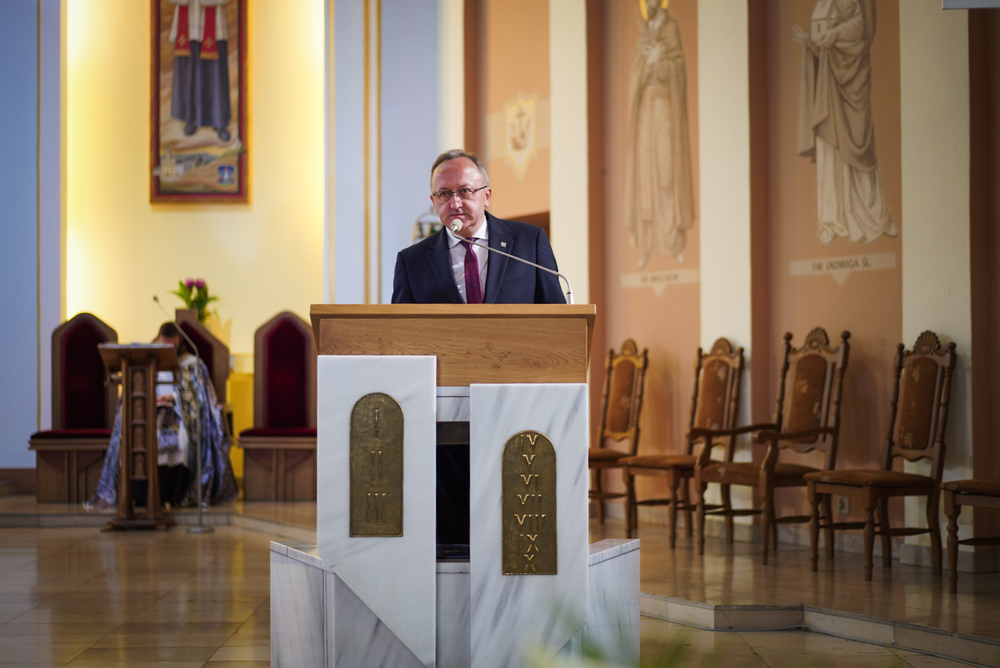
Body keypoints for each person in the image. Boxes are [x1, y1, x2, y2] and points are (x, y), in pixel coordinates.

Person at [86, 322, 238, 510]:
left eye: (171, 345)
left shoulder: (191, 363)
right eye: (164, 343)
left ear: (180, 341)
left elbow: (197, 400)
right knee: (131, 438)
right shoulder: (141, 360)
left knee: (182, 440)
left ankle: (172, 496)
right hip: (146, 415)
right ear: (158, 339)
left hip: (177, 416)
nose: (168, 348)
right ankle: (138, 495)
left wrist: (174, 398)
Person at [392, 149, 567, 305]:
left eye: (465, 191)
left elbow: (557, 316)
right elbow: (401, 330)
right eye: (444, 194)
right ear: (434, 201)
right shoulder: (412, 261)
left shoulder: (529, 242)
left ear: (487, 196)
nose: (455, 203)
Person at [794, 0, 897, 245]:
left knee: (859, 144)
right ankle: (832, 220)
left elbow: (862, 24)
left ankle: (874, 216)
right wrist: (813, 43)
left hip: (853, 75)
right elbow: (823, 29)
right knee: (830, 146)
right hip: (829, 78)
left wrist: (835, 34)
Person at [624, 0, 696, 268]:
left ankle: (672, 243)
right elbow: (635, 79)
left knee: (667, 174)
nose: (651, 4)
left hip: (665, 109)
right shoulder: (643, 33)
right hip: (645, 116)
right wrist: (646, 63)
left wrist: (660, 65)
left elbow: (678, 69)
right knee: (646, 177)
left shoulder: (671, 30)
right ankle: (647, 245)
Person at [166, 0, 233, 142]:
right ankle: (190, 117)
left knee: (215, 75)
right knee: (190, 74)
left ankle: (219, 120)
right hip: (188, 26)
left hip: (214, 27)